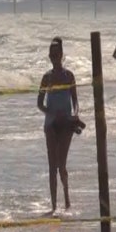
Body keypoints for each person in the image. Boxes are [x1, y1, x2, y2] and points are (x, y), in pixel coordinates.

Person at [37, 37, 79, 214]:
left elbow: (75, 101)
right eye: (52, 55)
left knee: (62, 165)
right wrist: (52, 113)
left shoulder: (69, 76)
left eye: (57, 55)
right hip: (51, 125)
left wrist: (74, 116)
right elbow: (40, 103)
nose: (54, 58)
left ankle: (67, 198)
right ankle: (54, 206)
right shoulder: (46, 78)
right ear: (49, 57)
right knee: (52, 166)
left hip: (67, 125)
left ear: (62, 55)